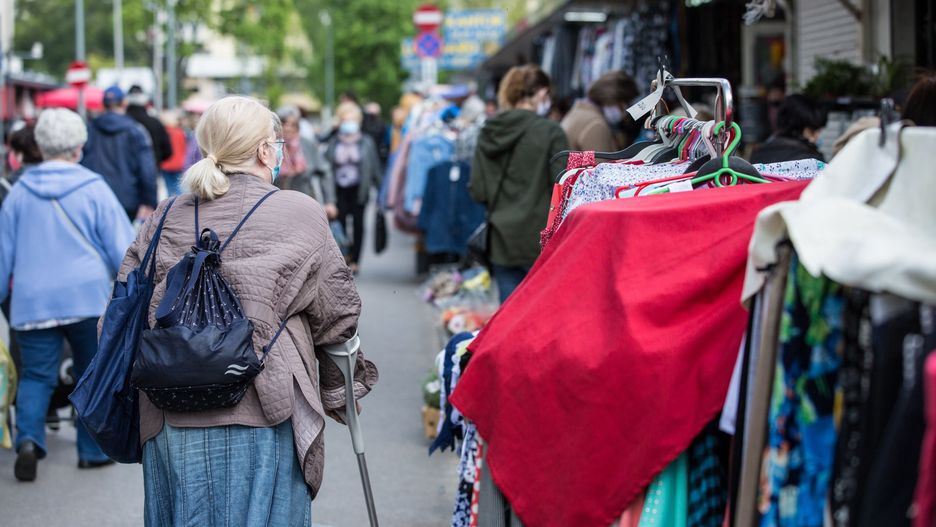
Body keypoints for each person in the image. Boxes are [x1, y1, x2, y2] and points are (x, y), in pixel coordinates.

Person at [118, 96, 377, 524]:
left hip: (168, 408)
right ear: (264, 151)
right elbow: (336, 318)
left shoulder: (165, 216)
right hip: (264, 405)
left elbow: (124, 307)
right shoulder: (300, 211)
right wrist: (339, 391)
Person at [0, 108, 135, 481]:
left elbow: (3, 255)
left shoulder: (18, 193)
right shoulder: (93, 187)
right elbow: (123, 249)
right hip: (86, 298)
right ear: (79, 147)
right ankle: (90, 451)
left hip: (32, 302)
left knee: (35, 375)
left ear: (40, 146)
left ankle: (29, 441)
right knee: (91, 374)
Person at [470, 64, 569, 302]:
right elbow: (564, 189)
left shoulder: (489, 131)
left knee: (509, 313)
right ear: (541, 92)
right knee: (543, 311)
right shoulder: (551, 132)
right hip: (541, 240)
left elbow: (478, 190)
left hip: (501, 239)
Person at [81, 86, 159, 221]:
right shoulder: (136, 130)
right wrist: (149, 201)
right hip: (127, 200)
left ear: (103, 104)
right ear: (124, 103)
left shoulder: (90, 128)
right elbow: (147, 170)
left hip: (95, 197)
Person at [323, 102, 382, 275]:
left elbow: (374, 167)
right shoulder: (334, 141)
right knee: (339, 223)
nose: (349, 123)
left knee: (358, 225)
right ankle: (344, 256)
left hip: (359, 188)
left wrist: (381, 191)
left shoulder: (366, 142)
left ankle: (356, 260)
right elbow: (326, 166)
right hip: (338, 188)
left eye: (352, 120)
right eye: (345, 120)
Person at [561, 70, 639, 151]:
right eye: (625, 104)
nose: (625, 111)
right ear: (612, 98)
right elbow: (599, 159)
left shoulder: (579, 111)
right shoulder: (596, 124)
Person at [750, 94, 826, 164]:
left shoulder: (758, 155)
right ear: (799, 128)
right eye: (813, 131)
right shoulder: (812, 162)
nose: (817, 136)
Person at [126, 85, 172, 167]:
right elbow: (167, 151)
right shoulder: (155, 123)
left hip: (124, 171)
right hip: (152, 168)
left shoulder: (120, 122)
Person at [159, 111, 187, 196]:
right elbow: (184, 148)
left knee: (169, 188)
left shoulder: (163, 133)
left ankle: (170, 203)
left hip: (166, 164)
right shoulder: (180, 132)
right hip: (179, 163)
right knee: (179, 188)